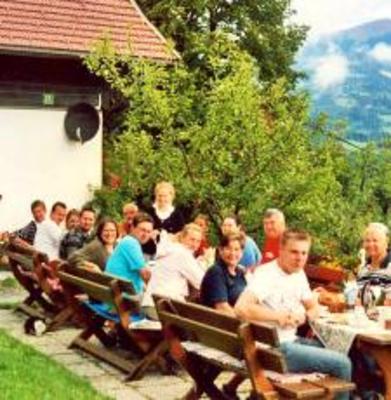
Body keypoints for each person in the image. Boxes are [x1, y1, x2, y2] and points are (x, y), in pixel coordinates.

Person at [235, 229, 352, 400]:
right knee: (342, 364)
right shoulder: (267, 275)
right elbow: (241, 308)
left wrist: (303, 316)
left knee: (345, 350)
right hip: (275, 350)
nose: (300, 258)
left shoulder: (298, 274)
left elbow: (314, 308)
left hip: (289, 341)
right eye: (294, 252)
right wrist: (278, 316)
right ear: (281, 251)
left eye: (304, 253)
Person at [142, 223, 205, 320]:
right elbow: (202, 282)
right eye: (192, 239)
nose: (195, 244)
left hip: (149, 303)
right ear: (183, 238)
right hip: (162, 307)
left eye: (198, 241)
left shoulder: (170, 249)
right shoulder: (182, 254)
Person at [200, 232, 247, 317]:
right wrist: (246, 324)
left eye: (237, 249)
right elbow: (222, 308)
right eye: (228, 248)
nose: (232, 253)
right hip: (220, 325)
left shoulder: (240, 272)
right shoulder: (216, 272)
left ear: (242, 252)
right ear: (221, 250)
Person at [105, 212, 153, 294]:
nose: (145, 234)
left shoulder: (127, 241)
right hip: (125, 299)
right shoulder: (131, 243)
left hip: (118, 293)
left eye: (149, 232)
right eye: (143, 230)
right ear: (133, 228)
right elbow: (145, 275)